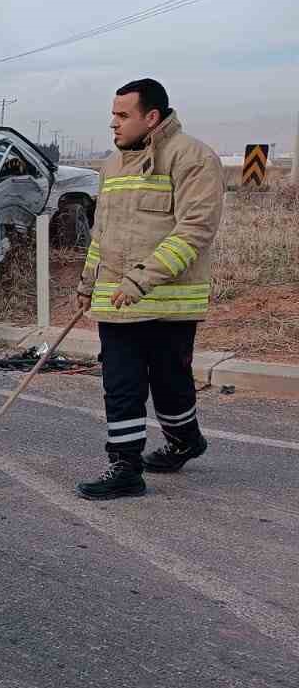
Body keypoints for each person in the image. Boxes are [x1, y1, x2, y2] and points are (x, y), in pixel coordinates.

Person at [75, 78, 224, 500]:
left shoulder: (193, 158)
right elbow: (101, 233)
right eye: (113, 115)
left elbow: (195, 230)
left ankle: (185, 440)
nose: (114, 124)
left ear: (152, 116)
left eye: (123, 116)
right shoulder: (111, 166)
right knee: (121, 383)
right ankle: (125, 466)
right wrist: (88, 283)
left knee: (171, 384)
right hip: (117, 301)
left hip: (168, 302)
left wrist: (142, 278)